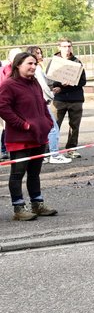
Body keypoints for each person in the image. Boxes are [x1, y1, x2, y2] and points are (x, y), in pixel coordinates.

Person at [0, 52, 57, 220]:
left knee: (34, 173)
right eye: (29, 64)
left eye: (35, 64)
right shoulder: (9, 85)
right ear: (18, 65)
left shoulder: (35, 83)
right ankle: (19, 208)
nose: (33, 67)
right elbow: (3, 108)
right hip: (20, 138)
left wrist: (47, 122)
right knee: (18, 173)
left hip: (38, 135)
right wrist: (23, 124)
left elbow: (41, 104)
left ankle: (37, 204)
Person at [25, 46, 69, 164]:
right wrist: (51, 95)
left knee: (43, 128)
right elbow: (43, 86)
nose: (41, 55)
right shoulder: (37, 69)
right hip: (42, 101)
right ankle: (54, 154)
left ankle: (43, 155)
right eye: (38, 53)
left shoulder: (37, 68)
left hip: (39, 100)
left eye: (40, 53)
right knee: (53, 127)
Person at [51, 39, 86, 158]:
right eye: (64, 46)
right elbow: (49, 79)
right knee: (54, 125)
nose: (67, 48)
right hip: (59, 100)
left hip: (75, 99)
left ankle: (71, 149)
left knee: (74, 126)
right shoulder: (54, 62)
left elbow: (82, 81)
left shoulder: (77, 62)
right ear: (59, 47)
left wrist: (67, 85)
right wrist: (58, 86)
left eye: (69, 46)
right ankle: (51, 150)